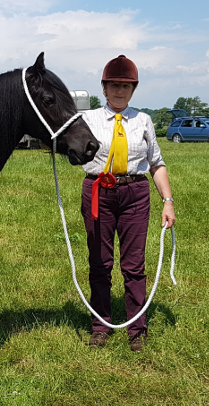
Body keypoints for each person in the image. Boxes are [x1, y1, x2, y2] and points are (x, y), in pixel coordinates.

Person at [80, 55, 176, 351]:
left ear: (133, 89)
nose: (119, 91)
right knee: (99, 262)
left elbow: (157, 164)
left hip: (135, 193)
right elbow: (69, 149)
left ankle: (137, 329)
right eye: (114, 85)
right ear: (104, 88)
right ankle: (101, 325)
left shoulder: (143, 120)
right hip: (98, 193)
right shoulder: (88, 119)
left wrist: (168, 201)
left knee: (134, 265)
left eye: (126, 86)